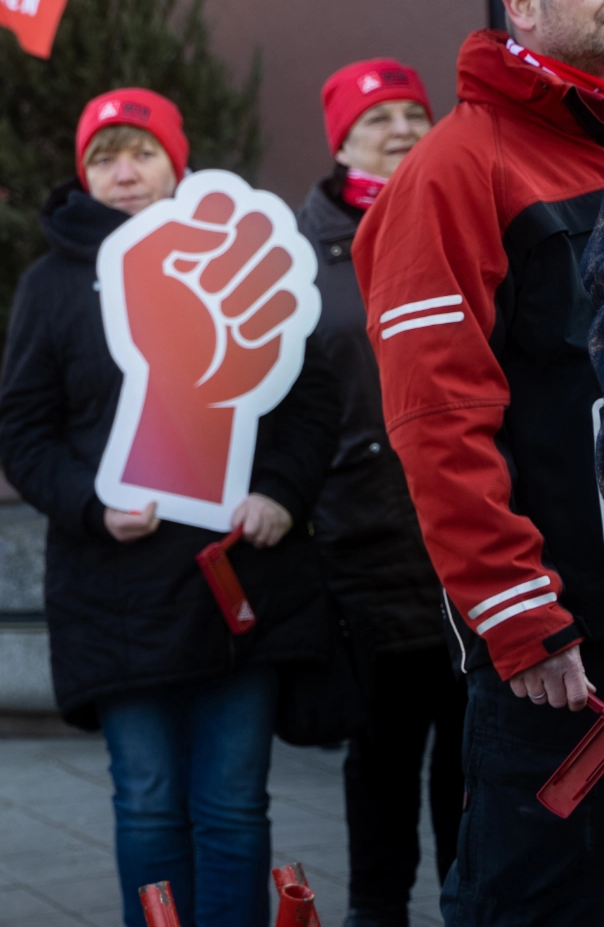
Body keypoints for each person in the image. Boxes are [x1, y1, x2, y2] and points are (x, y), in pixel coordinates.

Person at [0, 89, 338, 927]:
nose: (124, 170)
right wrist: (89, 502)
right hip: (116, 594)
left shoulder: (230, 257)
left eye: (142, 151)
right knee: (148, 803)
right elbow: (23, 428)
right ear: (83, 173)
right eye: (105, 154)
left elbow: (312, 399)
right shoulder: (51, 284)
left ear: (176, 163)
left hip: (234, 582)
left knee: (231, 805)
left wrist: (282, 496)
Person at [352, 0, 604, 921]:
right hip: (563, 667)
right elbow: (437, 420)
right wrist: (521, 615)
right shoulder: (456, 168)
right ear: (523, 4)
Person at [300, 59, 463, 927]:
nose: (400, 128)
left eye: (413, 112)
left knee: (473, 763)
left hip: (469, 544)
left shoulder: (466, 210)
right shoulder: (293, 251)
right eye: (378, 119)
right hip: (365, 550)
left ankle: (473, 904)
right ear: (340, 140)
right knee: (383, 765)